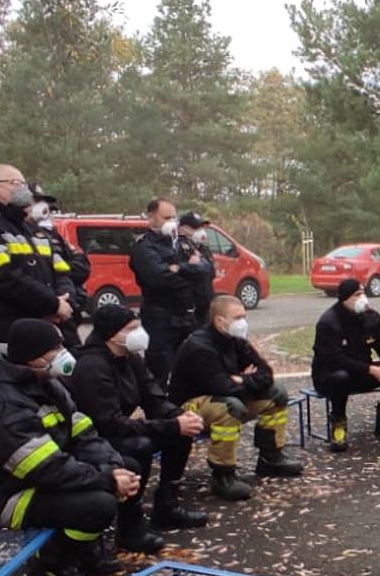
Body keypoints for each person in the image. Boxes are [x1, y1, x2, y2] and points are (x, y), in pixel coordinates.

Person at [0, 319, 139, 576]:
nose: (64, 353)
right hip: (5, 495)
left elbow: (83, 433)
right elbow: (42, 468)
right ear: (33, 357)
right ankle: (53, 567)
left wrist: (113, 467)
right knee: (99, 504)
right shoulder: (0, 403)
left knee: (129, 467)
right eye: (56, 348)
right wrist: (105, 480)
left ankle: (83, 551)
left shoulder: (47, 383)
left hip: (41, 477)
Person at [66, 305, 210, 553]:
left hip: (118, 429)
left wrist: (178, 417)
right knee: (140, 447)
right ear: (112, 334)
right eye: (131, 329)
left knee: (180, 433)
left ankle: (167, 504)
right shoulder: (92, 366)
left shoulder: (130, 358)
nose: (139, 333)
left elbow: (153, 397)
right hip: (93, 439)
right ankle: (129, 524)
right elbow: (109, 422)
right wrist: (169, 425)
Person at [0, 164, 75, 408]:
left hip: (39, 334)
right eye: (14, 183)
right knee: (6, 407)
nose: (22, 189)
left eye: (22, 183)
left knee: (46, 404)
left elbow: (59, 269)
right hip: (1, 339)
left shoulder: (29, 229)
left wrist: (63, 299)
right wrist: (51, 303)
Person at [168, 295, 304, 499]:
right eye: (237, 317)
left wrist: (241, 380)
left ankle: (270, 458)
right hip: (189, 406)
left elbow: (266, 373)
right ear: (219, 321)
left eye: (244, 316)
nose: (243, 322)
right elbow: (222, 387)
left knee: (277, 393)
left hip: (222, 396)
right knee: (231, 407)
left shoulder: (235, 340)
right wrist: (244, 380)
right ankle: (222, 475)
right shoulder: (200, 346)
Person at [311, 278, 380, 452]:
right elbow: (335, 359)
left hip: (363, 371)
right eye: (357, 295)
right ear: (345, 298)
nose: (363, 298)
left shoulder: (370, 317)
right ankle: (338, 422)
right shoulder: (329, 322)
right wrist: (371, 369)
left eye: (363, 293)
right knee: (340, 377)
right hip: (329, 375)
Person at [129, 199, 215, 384]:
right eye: (166, 217)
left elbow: (206, 269)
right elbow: (160, 278)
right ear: (151, 218)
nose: (172, 222)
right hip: (161, 319)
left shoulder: (180, 243)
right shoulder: (144, 247)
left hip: (187, 317)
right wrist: (189, 270)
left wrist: (179, 268)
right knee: (161, 371)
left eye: (174, 217)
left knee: (191, 369)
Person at [27, 184, 89, 349]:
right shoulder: (19, 235)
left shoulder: (54, 236)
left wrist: (61, 270)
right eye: (36, 201)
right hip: (44, 314)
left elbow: (82, 267)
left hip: (68, 312)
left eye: (42, 201)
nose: (42, 206)